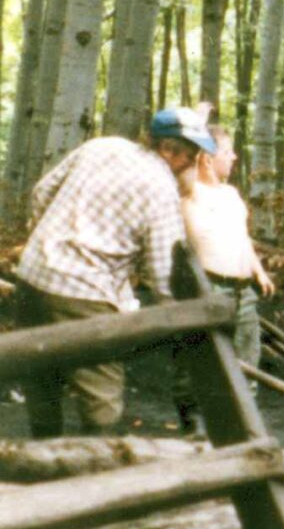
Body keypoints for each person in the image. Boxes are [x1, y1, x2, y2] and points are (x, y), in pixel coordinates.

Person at [11, 107, 219, 436]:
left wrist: (49, 241)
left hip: (32, 277)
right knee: (101, 401)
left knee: (41, 381)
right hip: (85, 292)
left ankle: (44, 463)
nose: (191, 165)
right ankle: (97, 472)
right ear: (167, 149)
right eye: (190, 157)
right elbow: (165, 272)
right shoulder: (161, 188)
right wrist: (181, 320)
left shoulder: (102, 146)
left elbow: (41, 193)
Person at [179, 123, 275, 369]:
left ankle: (246, 408)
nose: (234, 157)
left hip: (244, 292)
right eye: (227, 152)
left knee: (248, 364)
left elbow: (242, 237)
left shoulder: (231, 194)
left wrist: (259, 272)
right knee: (202, 365)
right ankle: (192, 409)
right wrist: (198, 120)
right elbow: (186, 160)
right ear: (208, 159)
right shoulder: (190, 193)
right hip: (210, 287)